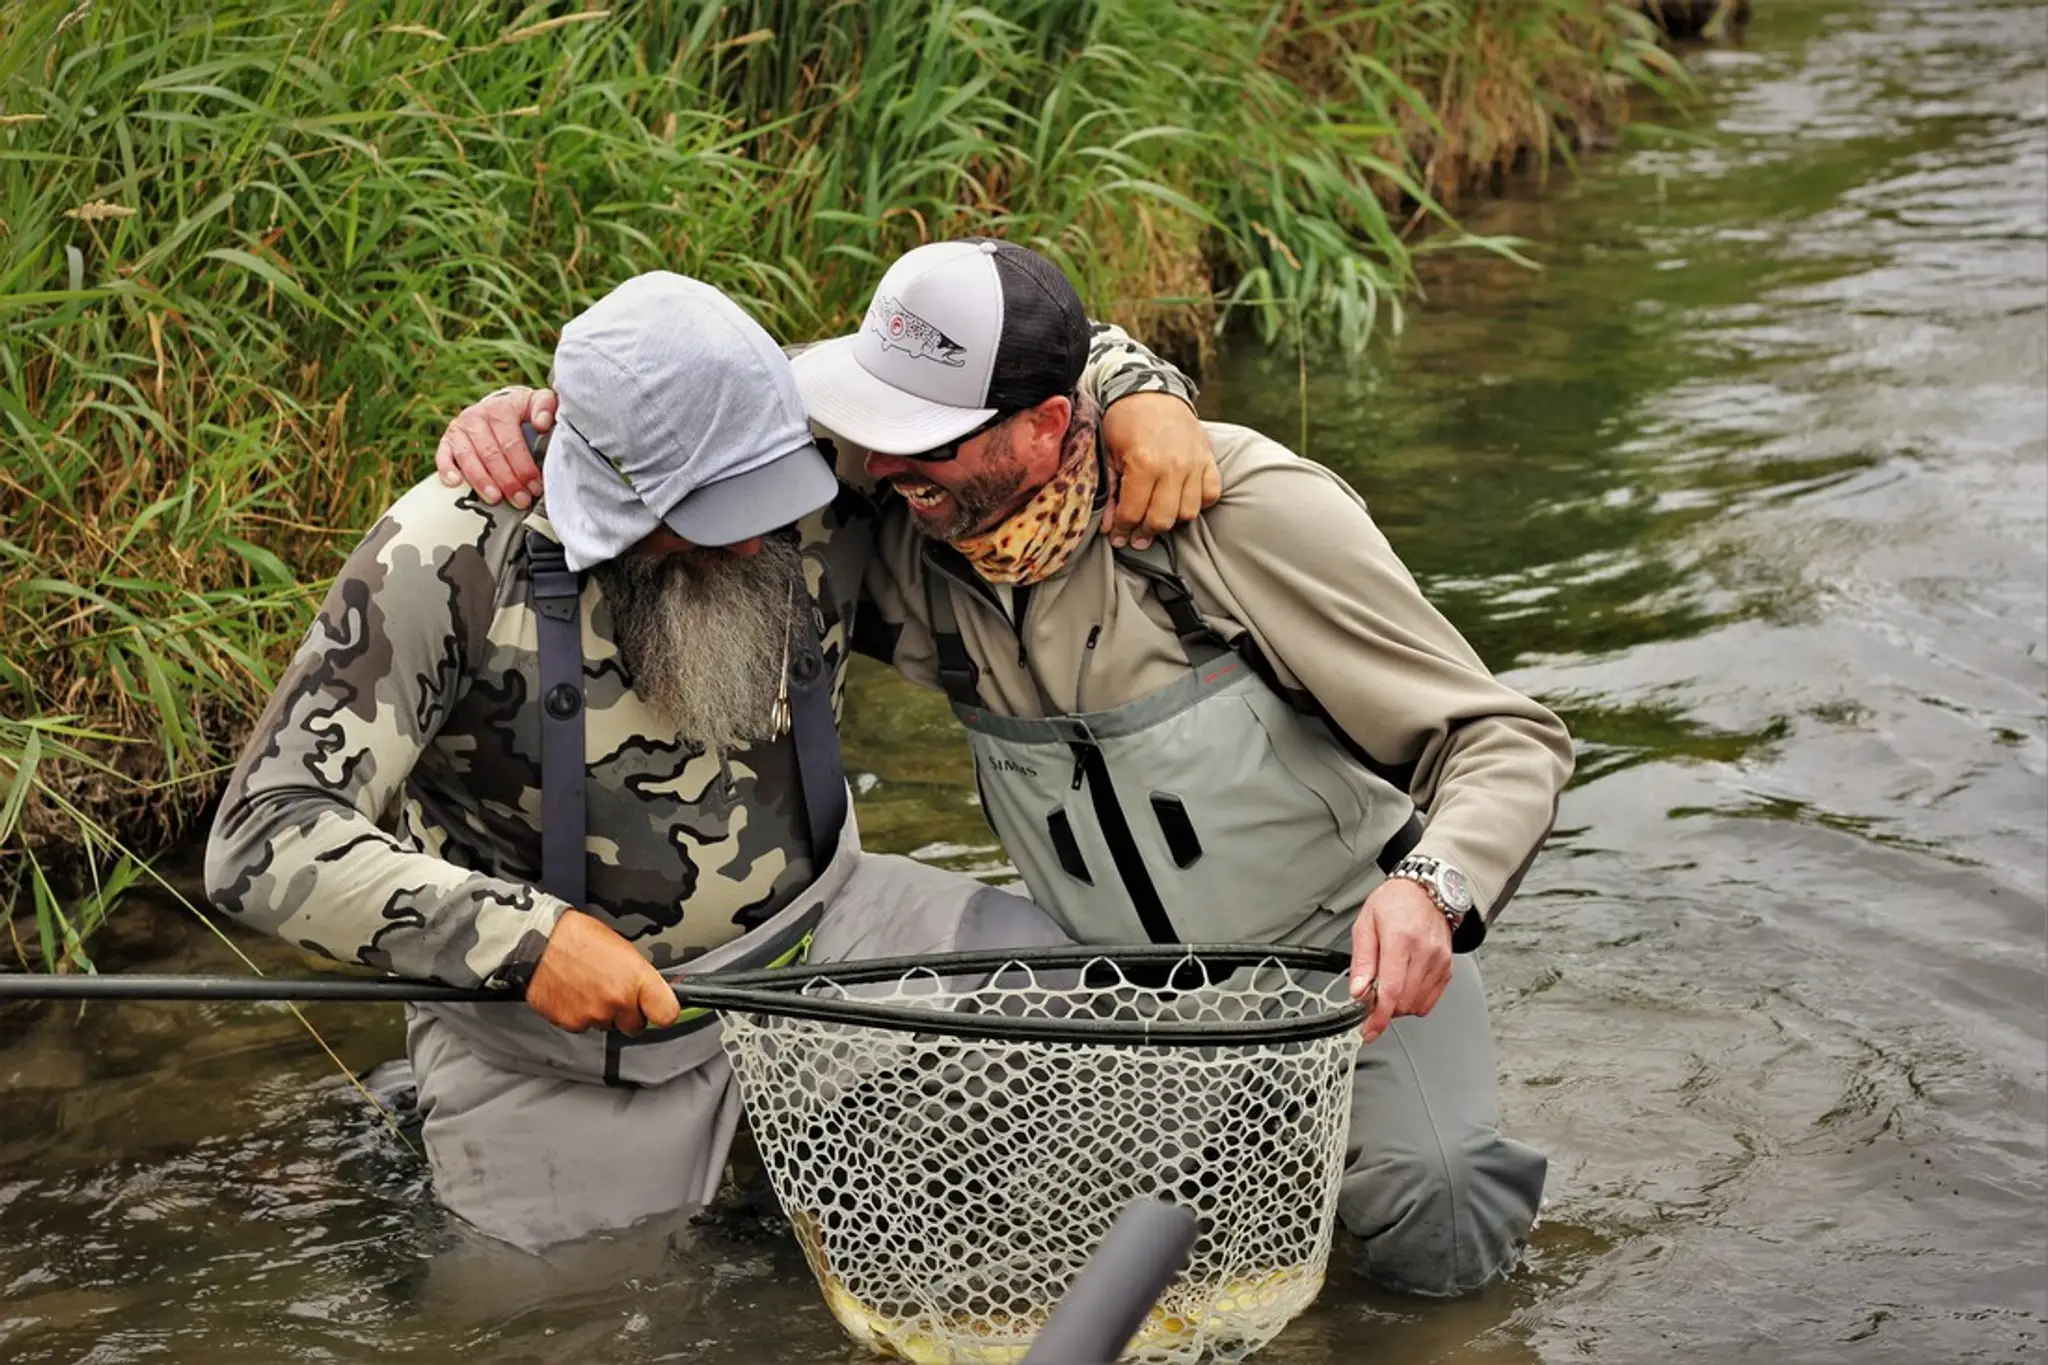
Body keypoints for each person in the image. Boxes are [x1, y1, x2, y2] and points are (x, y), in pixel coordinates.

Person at [442, 239, 1576, 1298]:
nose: (879, 465)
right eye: (869, 425)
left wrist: (1431, 892)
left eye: (920, 439)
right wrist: (541, 422)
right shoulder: (906, 512)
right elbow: (692, 414)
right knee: (1012, 1256)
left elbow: (1503, 739)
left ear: (1045, 425)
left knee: (1440, 1212)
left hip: (1340, 988)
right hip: (1112, 1012)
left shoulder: (1244, 516)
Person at [204, 269, 1207, 1254]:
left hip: (831, 945)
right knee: (553, 1324)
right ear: (608, 492)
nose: (755, 537)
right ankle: (405, 1128)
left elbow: (1021, 356)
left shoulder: (800, 419)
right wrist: (524, 940)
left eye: (770, 494)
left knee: (1086, 1030)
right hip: (559, 1045)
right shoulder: (446, 554)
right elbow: (264, 838)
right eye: (710, 515)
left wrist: (1142, 398)